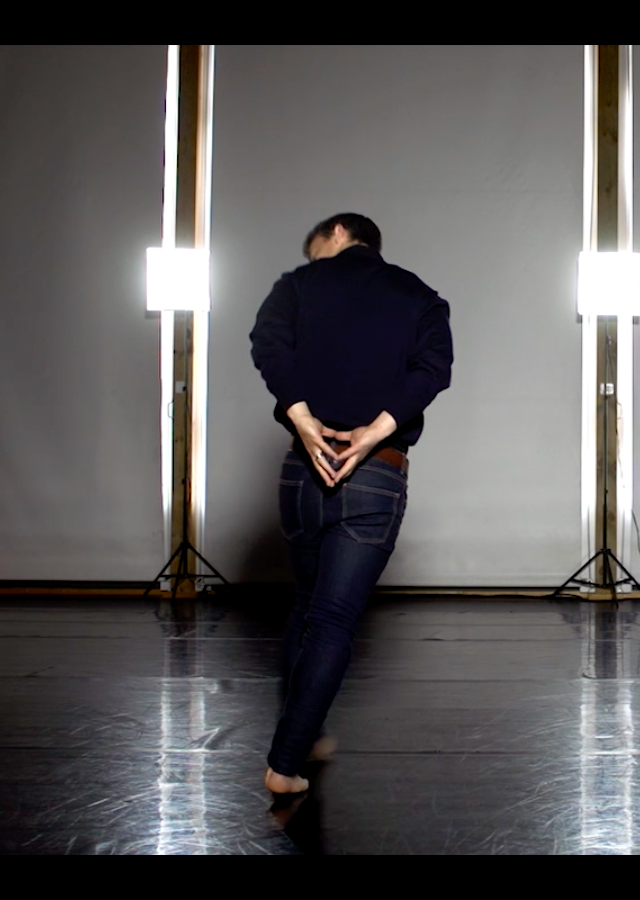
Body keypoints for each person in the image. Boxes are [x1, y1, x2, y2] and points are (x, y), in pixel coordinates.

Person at [249, 212, 453, 794]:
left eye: (314, 247)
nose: (310, 259)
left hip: (303, 469)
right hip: (376, 474)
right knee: (333, 620)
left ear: (338, 233)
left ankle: (305, 735)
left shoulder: (297, 285)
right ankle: (285, 764)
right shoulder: (419, 296)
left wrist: (301, 417)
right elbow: (434, 369)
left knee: (306, 608)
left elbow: (268, 343)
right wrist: (374, 432)